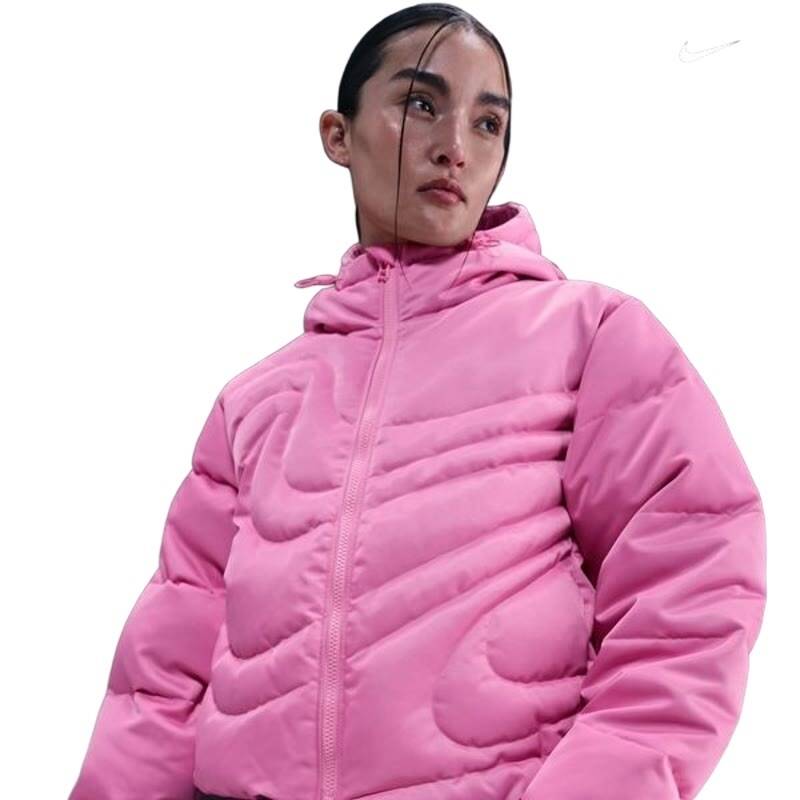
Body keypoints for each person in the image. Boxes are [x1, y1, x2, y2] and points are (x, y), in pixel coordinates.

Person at [68, 4, 767, 800]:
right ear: (338, 135)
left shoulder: (590, 335)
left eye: (488, 122)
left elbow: (691, 593)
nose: (455, 146)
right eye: (421, 103)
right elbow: (162, 677)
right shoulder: (254, 402)